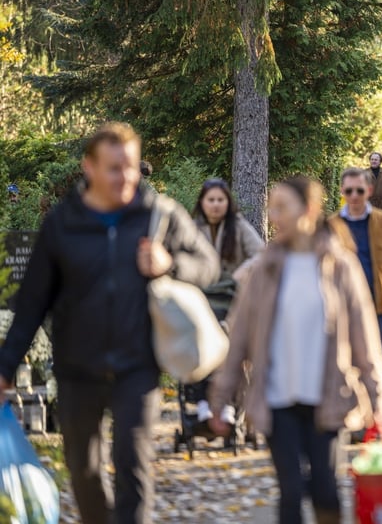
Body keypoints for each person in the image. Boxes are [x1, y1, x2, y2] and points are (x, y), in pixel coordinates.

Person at [0, 122, 220, 524]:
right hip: (77, 368)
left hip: (138, 365)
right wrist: (5, 368)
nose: (126, 177)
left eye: (131, 166)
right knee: (83, 470)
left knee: (132, 464)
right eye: (115, 168)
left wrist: (170, 264)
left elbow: (208, 265)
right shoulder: (63, 224)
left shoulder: (157, 214)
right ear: (90, 167)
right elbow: (31, 302)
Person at [209, 177, 382, 524]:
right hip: (277, 399)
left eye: (282, 208)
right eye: (272, 208)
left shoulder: (340, 265)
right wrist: (220, 398)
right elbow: (239, 336)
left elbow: (363, 336)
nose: (274, 216)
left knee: (325, 490)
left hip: (328, 396)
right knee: (290, 492)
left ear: (309, 210)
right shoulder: (266, 268)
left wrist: (377, 396)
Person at [192, 177, 264, 422]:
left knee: (230, 342)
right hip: (203, 297)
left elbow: (260, 254)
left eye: (220, 200)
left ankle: (229, 405)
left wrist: (242, 273)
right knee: (200, 340)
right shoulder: (193, 228)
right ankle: (203, 402)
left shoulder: (239, 226)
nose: (215, 205)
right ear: (202, 202)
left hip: (234, 297)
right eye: (210, 200)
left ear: (228, 202)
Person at [332, 167, 382, 351]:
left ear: (369, 190)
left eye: (359, 190)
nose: (354, 195)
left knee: (377, 356)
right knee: (345, 358)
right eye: (349, 191)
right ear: (342, 191)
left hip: (379, 303)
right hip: (343, 306)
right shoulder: (332, 226)